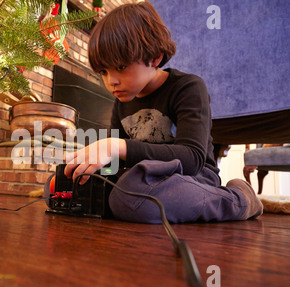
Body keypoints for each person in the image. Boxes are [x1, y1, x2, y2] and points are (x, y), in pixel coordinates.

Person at [64, 1, 263, 223]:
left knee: (133, 198)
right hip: (144, 179)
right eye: (103, 71)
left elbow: (193, 158)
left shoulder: (188, 87)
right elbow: (118, 166)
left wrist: (116, 146)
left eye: (120, 67)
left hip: (191, 178)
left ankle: (239, 198)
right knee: (61, 188)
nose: (112, 82)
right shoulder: (121, 102)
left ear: (155, 57)